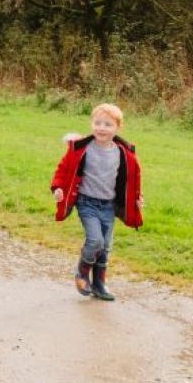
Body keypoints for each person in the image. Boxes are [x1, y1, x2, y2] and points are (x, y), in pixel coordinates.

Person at [50, 103, 144, 301]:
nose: (101, 128)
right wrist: (58, 188)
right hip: (86, 203)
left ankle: (100, 284)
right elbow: (63, 169)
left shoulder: (123, 153)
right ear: (91, 124)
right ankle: (82, 272)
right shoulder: (80, 149)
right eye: (97, 123)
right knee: (96, 241)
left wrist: (137, 197)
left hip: (108, 205)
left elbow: (132, 178)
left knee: (105, 246)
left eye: (108, 124)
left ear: (118, 128)